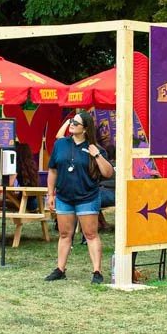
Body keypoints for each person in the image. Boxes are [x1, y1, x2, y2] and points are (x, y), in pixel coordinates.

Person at [45, 110, 114, 283]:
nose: (71, 125)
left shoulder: (96, 149)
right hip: (64, 196)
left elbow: (108, 172)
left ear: (85, 129)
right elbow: (53, 170)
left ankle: (97, 271)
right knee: (64, 234)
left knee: (90, 234)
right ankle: (60, 269)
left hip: (87, 197)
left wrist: (96, 155)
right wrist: (50, 194)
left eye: (75, 123)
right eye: (71, 122)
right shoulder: (61, 144)